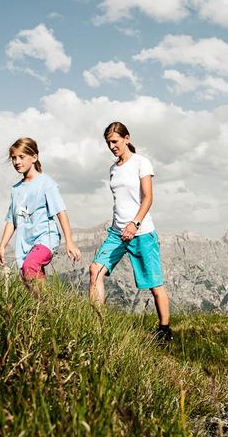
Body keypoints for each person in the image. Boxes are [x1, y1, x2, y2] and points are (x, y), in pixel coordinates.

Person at [88, 122, 172, 343]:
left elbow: (148, 197)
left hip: (141, 232)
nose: (111, 146)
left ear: (127, 138)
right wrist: (121, 224)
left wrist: (134, 223)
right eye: (108, 143)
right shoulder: (113, 169)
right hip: (117, 233)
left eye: (115, 141)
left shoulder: (141, 163)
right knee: (95, 269)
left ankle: (164, 331)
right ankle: (96, 326)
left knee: (154, 285)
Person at [0, 137, 81, 290]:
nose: (17, 162)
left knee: (30, 266)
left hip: (45, 239)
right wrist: (2, 245)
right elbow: (11, 221)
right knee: (27, 277)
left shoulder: (46, 183)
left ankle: (45, 306)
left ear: (34, 157)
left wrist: (69, 241)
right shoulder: (16, 189)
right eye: (14, 158)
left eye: (21, 157)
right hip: (25, 243)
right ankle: (45, 309)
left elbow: (61, 213)